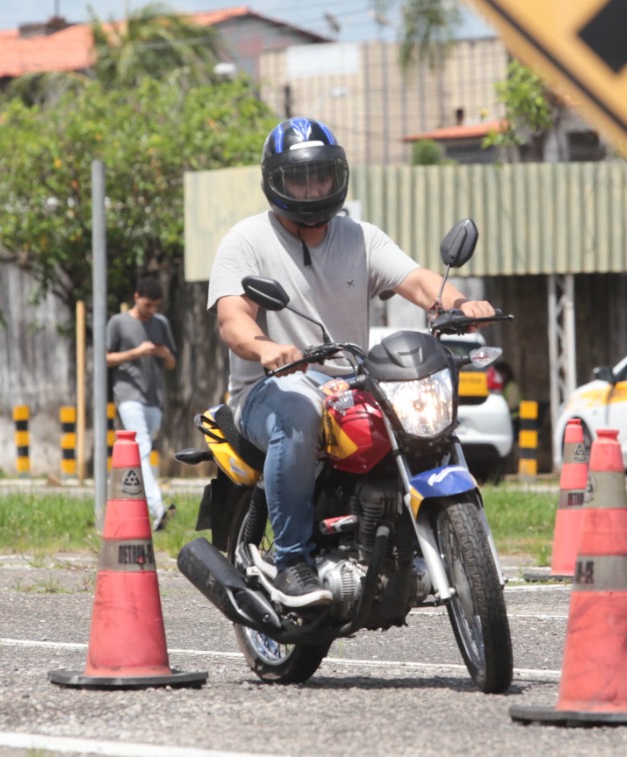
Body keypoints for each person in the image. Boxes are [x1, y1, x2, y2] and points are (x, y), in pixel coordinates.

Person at [207, 117, 495, 607]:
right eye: (299, 177)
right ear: (275, 181)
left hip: (347, 383)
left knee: (414, 410)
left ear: (337, 176)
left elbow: (420, 280)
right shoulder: (246, 240)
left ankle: (413, 540)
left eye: (321, 174)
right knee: (299, 412)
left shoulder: (359, 237)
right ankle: (292, 560)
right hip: (269, 388)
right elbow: (233, 319)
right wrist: (265, 346)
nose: (312, 186)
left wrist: (458, 304)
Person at [106, 274, 177, 530]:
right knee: (142, 448)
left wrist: (163, 353)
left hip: (153, 398)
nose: (152, 311)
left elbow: (172, 363)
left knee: (140, 453)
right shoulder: (118, 322)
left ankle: (116, 502)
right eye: (148, 305)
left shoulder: (161, 323)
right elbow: (106, 358)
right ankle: (158, 508)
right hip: (128, 394)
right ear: (136, 298)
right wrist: (136, 353)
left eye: (156, 306)